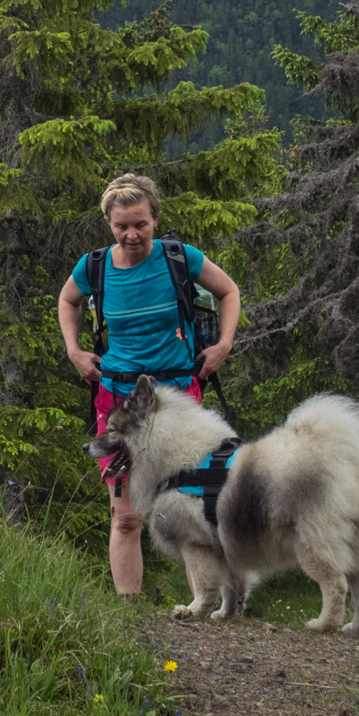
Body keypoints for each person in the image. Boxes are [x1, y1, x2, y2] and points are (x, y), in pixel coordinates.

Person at [57, 173, 240, 597]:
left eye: (140, 223)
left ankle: (207, 606)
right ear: (109, 223)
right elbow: (68, 301)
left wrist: (223, 345)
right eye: (121, 225)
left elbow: (229, 291)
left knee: (196, 506)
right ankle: (129, 614)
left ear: (155, 219)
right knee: (125, 516)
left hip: (177, 400)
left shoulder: (181, 258)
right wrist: (74, 350)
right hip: (118, 402)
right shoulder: (94, 267)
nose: (131, 234)